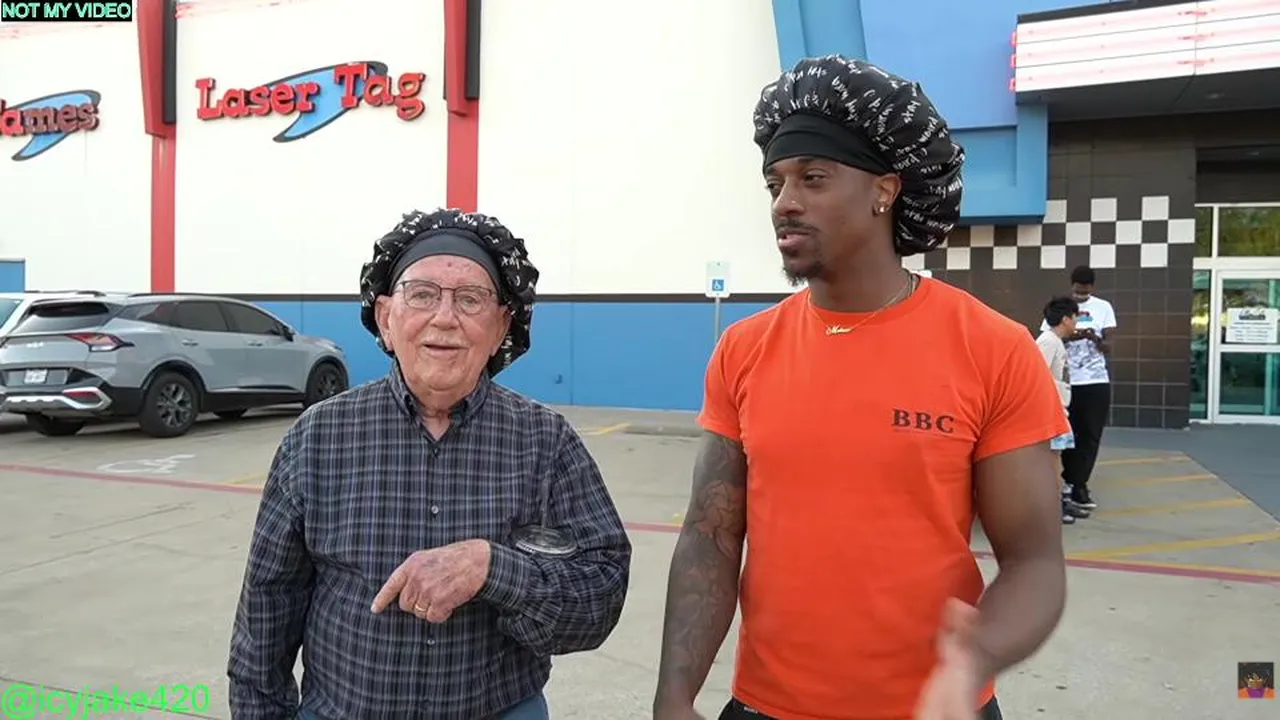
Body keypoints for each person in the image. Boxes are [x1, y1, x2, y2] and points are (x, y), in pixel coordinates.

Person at [652, 55, 1069, 720]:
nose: (785, 202)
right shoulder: (744, 349)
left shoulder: (992, 348)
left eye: (813, 178)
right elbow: (712, 537)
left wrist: (976, 657)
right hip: (765, 707)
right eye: (775, 184)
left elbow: (1035, 562)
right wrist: (674, 696)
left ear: (885, 190)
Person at [227, 208, 633, 720]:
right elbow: (267, 606)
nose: (445, 318)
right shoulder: (318, 436)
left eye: (470, 299)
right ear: (385, 319)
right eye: (421, 294)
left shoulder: (546, 441)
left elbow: (601, 597)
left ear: (501, 327)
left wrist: (494, 568)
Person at [1040, 265, 1116, 510]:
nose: (1081, 295)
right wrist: (1076, 335)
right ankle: (1064, 484)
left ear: (1092, 287)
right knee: (1065, 435)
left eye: (1085, 291)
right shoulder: (1061, 309)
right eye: (1077, 291)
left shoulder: (1103, 308)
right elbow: (1051, 336)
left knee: (1090, 435)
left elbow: (1109, 345)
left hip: (1095, 381)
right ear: (1072, 285)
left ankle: (1079, 484)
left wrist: (1094, 337)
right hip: (1066, 383)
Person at [1035, 296, 1090, 525]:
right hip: (1049, 413)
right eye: (1075, 317)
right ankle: (1053, 506)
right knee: (1052, 461)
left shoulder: (1055, 341)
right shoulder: (1048, 342)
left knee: (1057, 459)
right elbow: (1035, 375)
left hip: (1058, 411)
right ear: (1066, 319)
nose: (1076, 322)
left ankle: (1059, 501)